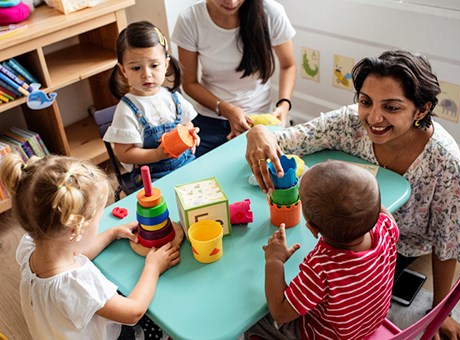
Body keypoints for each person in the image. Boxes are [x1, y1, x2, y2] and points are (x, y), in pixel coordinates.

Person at [245, 50, 460, 339]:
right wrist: (259, 133)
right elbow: (290, 139)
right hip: (366, 239)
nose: (373, 117)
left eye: (391, 107)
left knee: (272, 295)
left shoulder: (444, 160)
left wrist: (443, 310)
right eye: (366, 102)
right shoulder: (349, 123)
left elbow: (448, 241)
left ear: (422, 110)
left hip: (396, 248)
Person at [0, 153, 180, 339]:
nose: (100, 224)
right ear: (74, 231)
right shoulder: (78, 284)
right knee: (159, 326)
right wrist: (153, 267)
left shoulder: (30, 246)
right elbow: (133, 311)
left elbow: (75, 252)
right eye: (98, 220)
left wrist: (111, 233)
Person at [245, 160, 399, 339]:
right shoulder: (386, 227)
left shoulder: (321, 267)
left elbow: (280, 312)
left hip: (326, 336)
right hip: (366, 326)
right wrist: (365, 202)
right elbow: (382, 214)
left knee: (255, 323)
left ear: (312, 228)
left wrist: (274, 261)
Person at [171, 0, 297, 156]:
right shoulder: (190, 19)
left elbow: (288, 65)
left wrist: (284, 104)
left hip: (258, 119)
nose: (231, 2)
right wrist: (226, 109)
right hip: (210, 118)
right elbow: (189, 83)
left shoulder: (271, 13)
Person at [105, 21, 200, 187]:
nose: (146, 75)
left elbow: (186, 123)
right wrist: (157, 155)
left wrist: (190, 134)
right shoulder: (126, 110)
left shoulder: (173, 97)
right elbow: (124, 154)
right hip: (152, 178)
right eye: (136, 68)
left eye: (154, 65)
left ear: (166, 64)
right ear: (123, 71)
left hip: (186, 164)